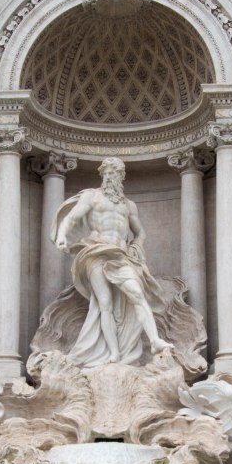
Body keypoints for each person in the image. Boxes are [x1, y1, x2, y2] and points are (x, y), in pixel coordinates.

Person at [51, 157, 172, 367]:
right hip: (96, 252)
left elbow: (140, 233)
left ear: (121, 176)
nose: (109, 176)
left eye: (113, 173)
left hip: (120, 256)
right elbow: (71, 218)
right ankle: (114, 353)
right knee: (104, 303)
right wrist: (62, 235)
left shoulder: (129, 205)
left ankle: (154, 341)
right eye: (106, 173)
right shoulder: (91, 197)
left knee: (137, 293)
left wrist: (136, 246)